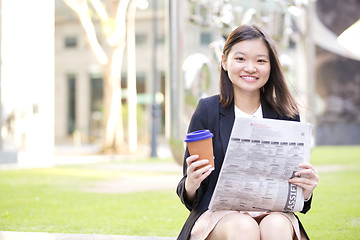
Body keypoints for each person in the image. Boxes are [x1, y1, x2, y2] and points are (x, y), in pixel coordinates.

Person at [176, 24, 319, 240]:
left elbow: (298, 194)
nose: (250, 68)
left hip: (273, 212)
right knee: (244, 227)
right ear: (224, 61)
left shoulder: (286, 114)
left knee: (277, 225)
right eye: (240, 59)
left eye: (260, 61)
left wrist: (306, 190)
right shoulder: (207, 111)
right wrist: (191, 183)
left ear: (271, 66)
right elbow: (189, 194)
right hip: (220, 217)